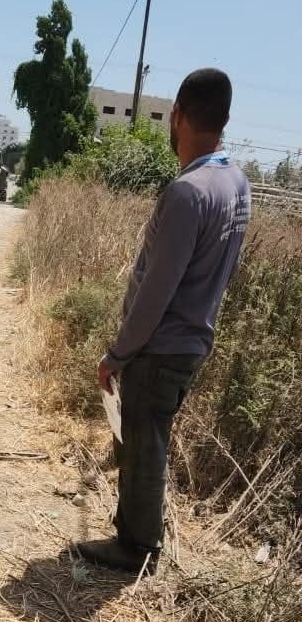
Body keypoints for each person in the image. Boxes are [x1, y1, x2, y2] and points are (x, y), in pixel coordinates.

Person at [75, 68, 251, 575]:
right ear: (225, 120)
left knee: (144, 445)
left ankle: (136, 548)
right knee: (148, 437)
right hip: (193, 339)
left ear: (176, 116)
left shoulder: (188, 192)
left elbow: (156, 293)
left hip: (159, 346)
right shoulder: (236, 184)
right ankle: (139, 528)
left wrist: (117, 354)